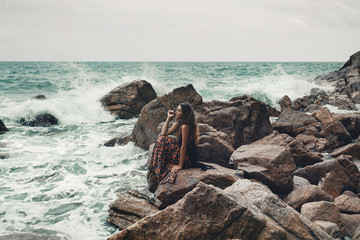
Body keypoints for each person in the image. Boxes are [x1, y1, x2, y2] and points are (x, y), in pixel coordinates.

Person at [150, 103, 199, 185]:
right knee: (162, 139)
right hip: (181, 152)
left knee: (162, 140)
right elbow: (163, 133)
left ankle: (158, 167)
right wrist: (168, 118)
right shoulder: (179, 123)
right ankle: (157, 166)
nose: (176, 112)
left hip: (188, 157)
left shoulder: (185, 126)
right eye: (177, 110)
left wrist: (180, 166)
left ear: (185, 113)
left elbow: (184, 147)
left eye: (179, 111)